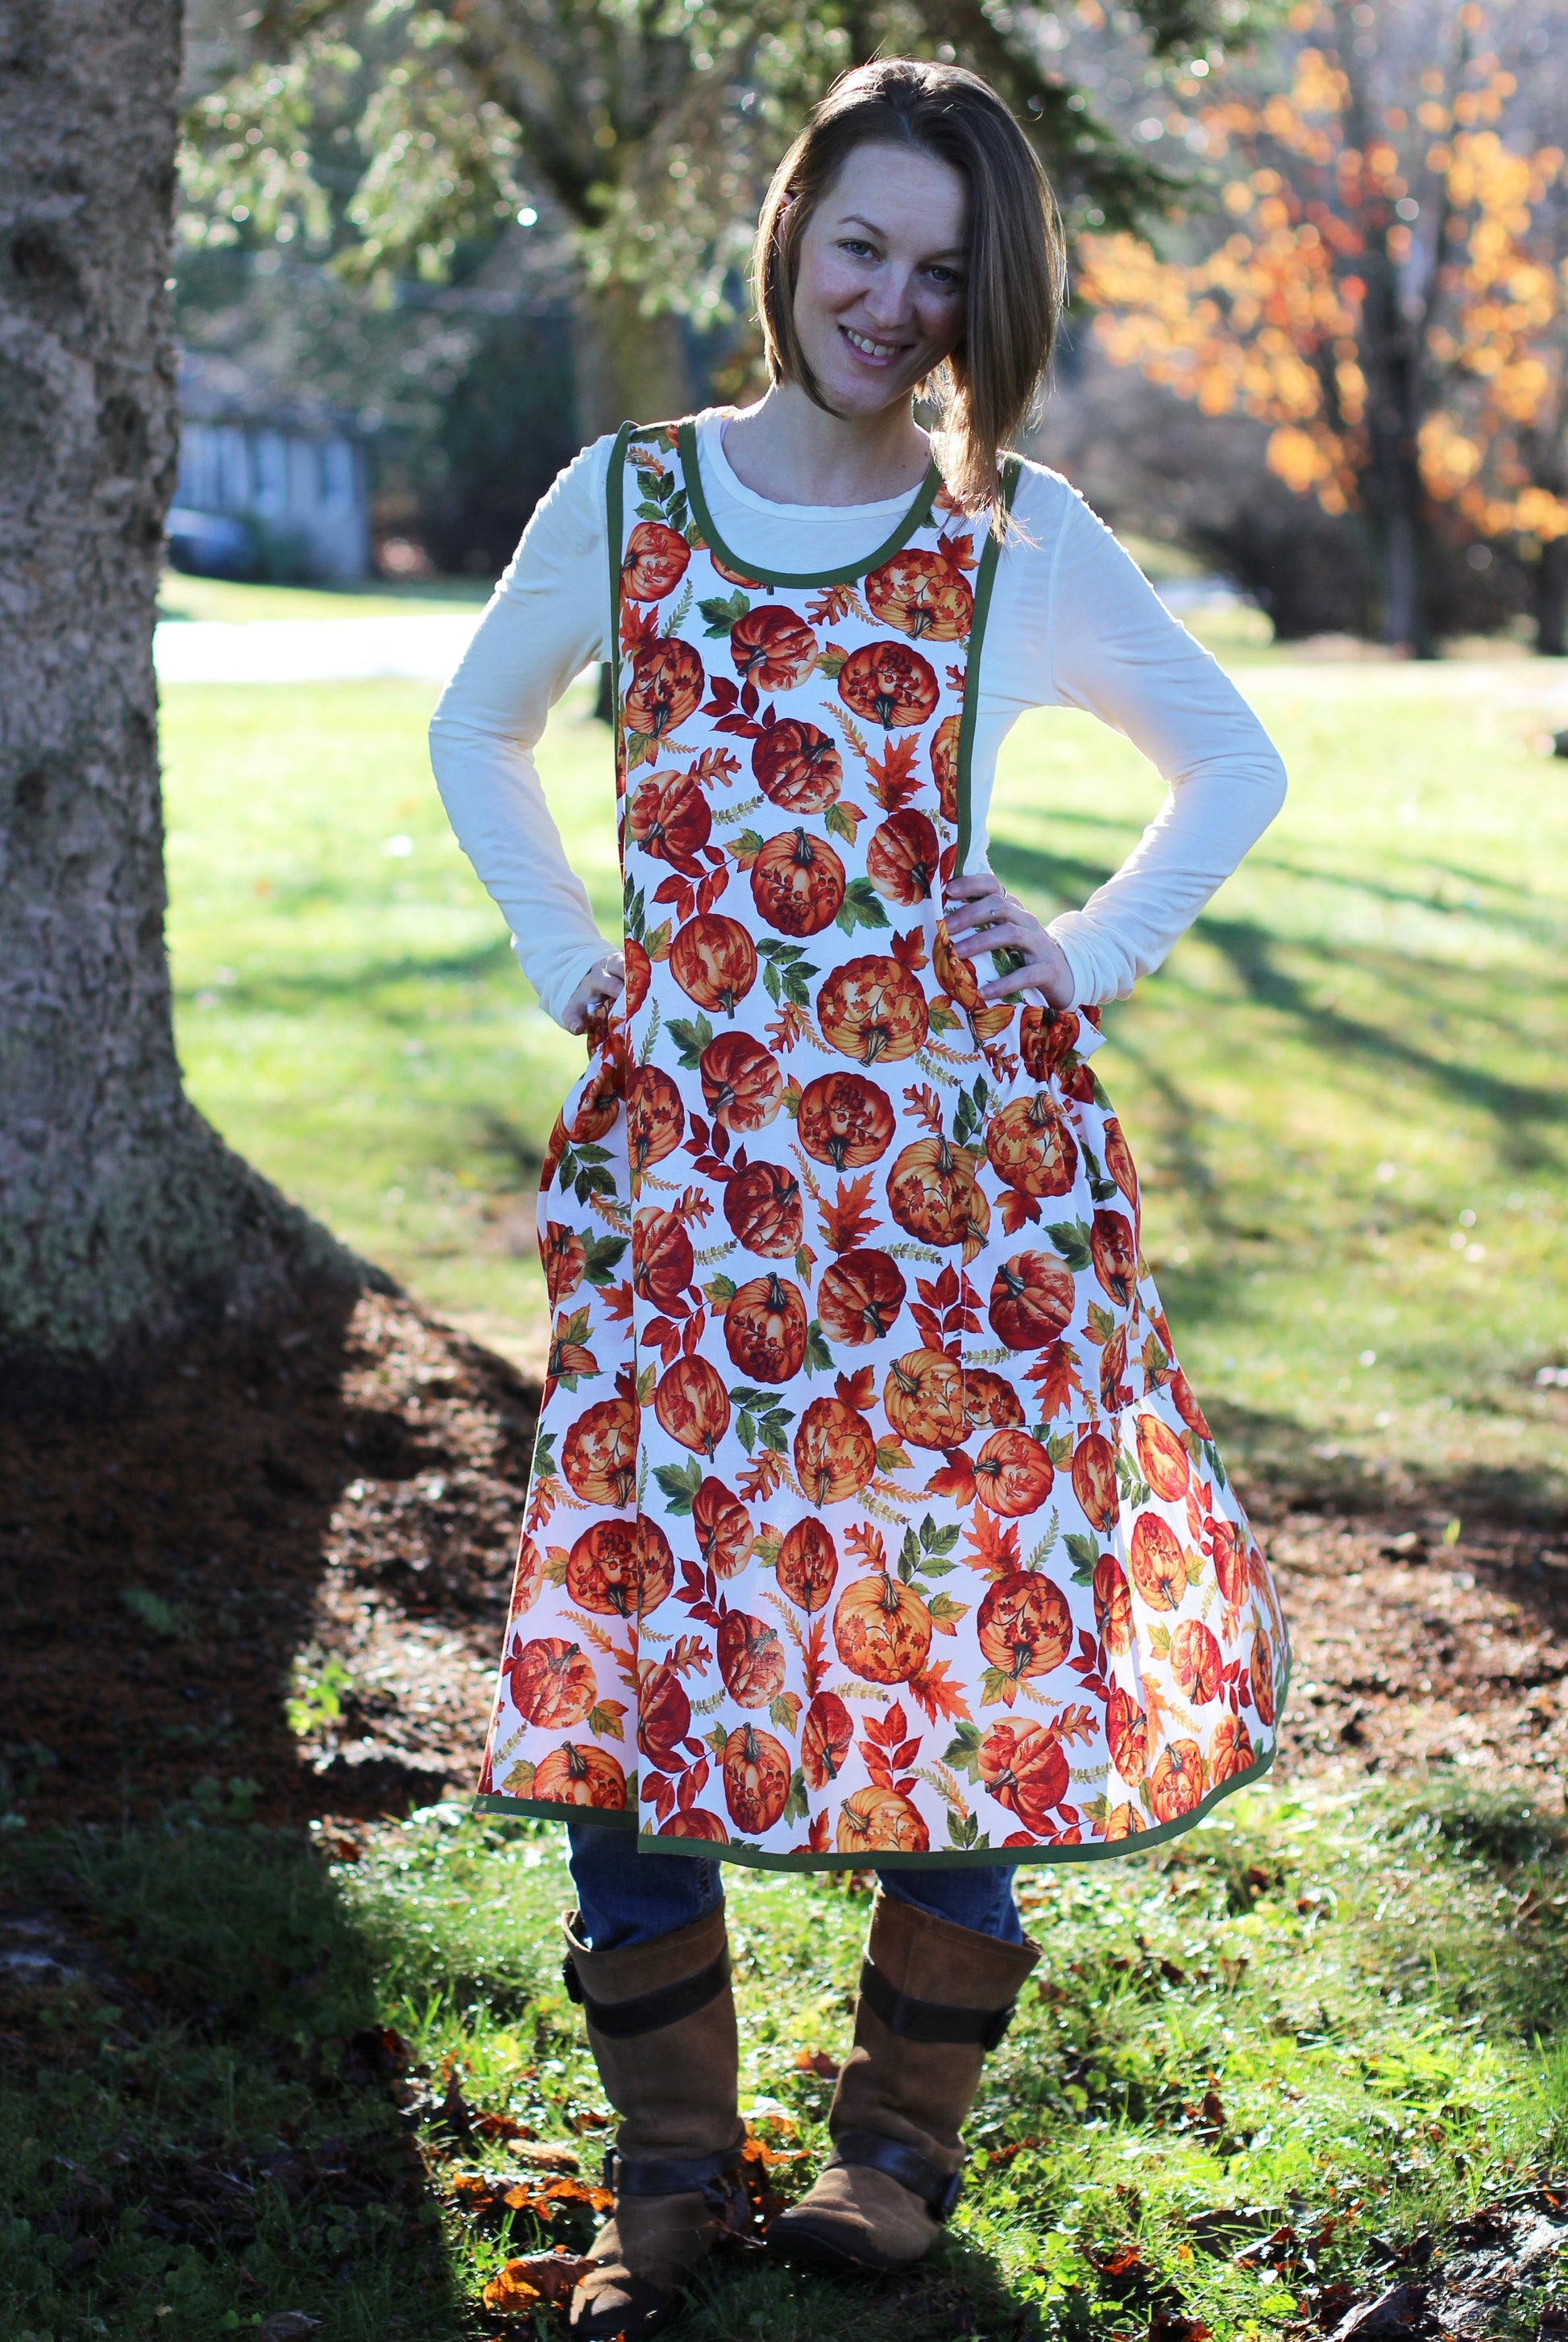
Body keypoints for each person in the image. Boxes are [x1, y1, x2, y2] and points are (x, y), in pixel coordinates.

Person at [430, 56, 1290, 2340]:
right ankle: (674, 2181)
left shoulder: (1013, 533)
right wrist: (575, 964)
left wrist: (1084, 951)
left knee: (941, 1631)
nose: (892, 305)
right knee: (641, 1636)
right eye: (861, 247)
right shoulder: (624, 500)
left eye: (941, 273)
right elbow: (477, 728)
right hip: (693, 1204)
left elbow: (1232, 757)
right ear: (789, 224)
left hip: (947, 1213)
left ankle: (895, 2157)